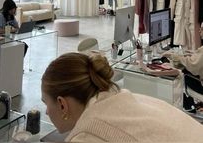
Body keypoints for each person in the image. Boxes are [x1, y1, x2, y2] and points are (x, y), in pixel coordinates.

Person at [41, 52, 203, 142]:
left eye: (46, 103)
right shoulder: (128, 98)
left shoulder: (87, 137)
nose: (47, 112)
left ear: (62, 104)